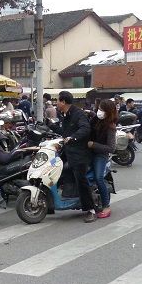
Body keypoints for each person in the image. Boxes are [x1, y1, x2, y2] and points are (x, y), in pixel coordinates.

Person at [55, 91, 95, 223]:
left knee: (81, 180)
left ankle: (90, 210)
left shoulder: (78, 114)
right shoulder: (65, 115)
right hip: (68, 152)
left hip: (79, 154)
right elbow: (64, 132)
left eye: (58, 101)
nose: (56, 103)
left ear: (63, 102)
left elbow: (85, 129)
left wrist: (73, 137)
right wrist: (49, 126)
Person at [88, 99, 116, 219]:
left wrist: (93, 145)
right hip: (88, 152)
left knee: (99, 177)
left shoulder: (111, 127)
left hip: (100, 155)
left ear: (108, 112)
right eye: (99, 108)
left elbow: (111, 148)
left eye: (102, 110)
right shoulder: (94, 119)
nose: (99, 111)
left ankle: (106, 205)